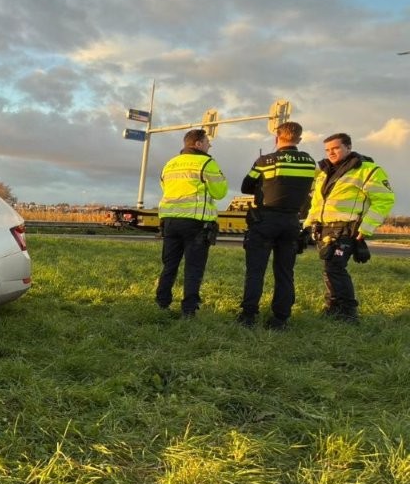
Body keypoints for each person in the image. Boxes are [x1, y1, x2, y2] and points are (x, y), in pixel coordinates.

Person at [302, 133, 395, 323]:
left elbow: (384, 200)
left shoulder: (367, 170)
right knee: (329, 268)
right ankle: (333, 308)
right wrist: (307, 225)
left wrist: (366, 227)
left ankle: (347, 313)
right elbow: (317, 203)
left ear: (348, 147)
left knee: (335, 267)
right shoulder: (324, 171)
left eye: (335, 148)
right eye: (327, 150)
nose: (331, 153)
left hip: (347, 229)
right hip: (324, 229)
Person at [236, 121, 317, 330]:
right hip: (291, 221)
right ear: (299, 138)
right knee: (285, 272)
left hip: (264, 220)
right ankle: (281, 319)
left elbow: (246, 186)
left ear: (276, 138)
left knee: (255, 270)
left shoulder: (265, 161)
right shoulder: (309, 162)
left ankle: (248, 316)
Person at [155, 129, 228, 317]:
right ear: (197, 144)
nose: (209, 145)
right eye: (207, 141)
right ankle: (189, 310)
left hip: (170, 221)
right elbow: (220, 192)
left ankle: (161, 303)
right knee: (193, 268)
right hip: (196, 223)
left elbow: (165, 188)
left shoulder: (170, 164)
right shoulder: (207, 162)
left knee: (169, 265)